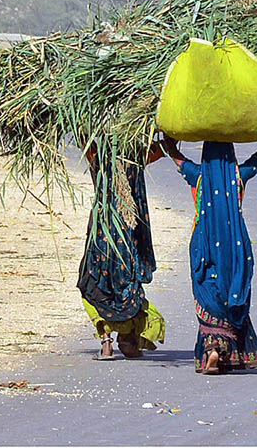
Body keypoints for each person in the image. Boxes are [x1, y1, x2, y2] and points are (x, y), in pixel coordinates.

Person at [163, 133, 257, 374]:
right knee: (230, 293)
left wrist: (167, 138)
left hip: (203, 246)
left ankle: (212, 349)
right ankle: (223, 351)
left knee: (208, 294)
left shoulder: (198, 176)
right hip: (234, 248)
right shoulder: (238, 176)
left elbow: (176, 157)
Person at [78, 140, 167, 361]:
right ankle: (127, 337)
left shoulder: (97, 158)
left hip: (102, 233)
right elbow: (165, 148)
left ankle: (107, 342)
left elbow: (84, 138)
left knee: (93, 282)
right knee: (126, 283)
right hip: (129, 233)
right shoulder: (136, 158)